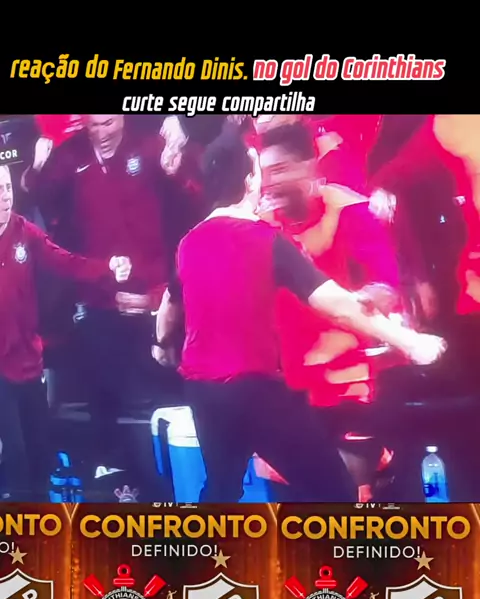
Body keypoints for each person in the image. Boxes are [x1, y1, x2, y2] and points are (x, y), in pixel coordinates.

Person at [155, 128, 446, 502]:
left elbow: (168, 307)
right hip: (258, 389)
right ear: (250, 181)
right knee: (332, 492)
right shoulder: (263, 238)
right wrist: (411, 343)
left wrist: (162, 346)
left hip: (207, 390)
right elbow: (336, 304)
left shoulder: (190, 241)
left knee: (222, 487)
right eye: (264, 171)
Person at [21, 115, 184, 489]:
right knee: (103, 398)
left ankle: (163, 481)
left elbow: (187, 205)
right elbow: (37, 194)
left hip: (154, 299)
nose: (102, 133)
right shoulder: (70, 157)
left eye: (109, 123)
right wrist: (35, 170)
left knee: (152, 395)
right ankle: (112, 479)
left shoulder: (150, 146)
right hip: (98, 299)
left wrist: (156, 298)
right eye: (94, 126)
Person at [0, 165, 132, 501]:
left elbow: (66, 262)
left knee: (39, 451)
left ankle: (44, 520)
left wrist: (106, 268)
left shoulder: (25, 233)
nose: (4, 197)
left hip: (28, 361)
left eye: (7, 188)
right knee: (15, 454)